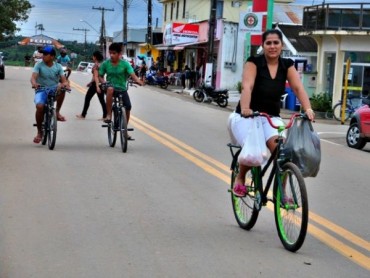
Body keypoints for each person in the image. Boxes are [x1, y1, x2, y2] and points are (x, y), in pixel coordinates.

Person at [227, 29, 315, 197]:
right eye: (268, 43)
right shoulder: (253, 62)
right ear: (263, 45)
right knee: (254, 151)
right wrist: (246, 108)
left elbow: (298, 88)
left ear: (282, 46)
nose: (272, 46)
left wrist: (308, 108)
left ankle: (280, 191)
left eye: (276, 43)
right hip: (248, 117)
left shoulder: (287, 65)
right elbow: (247, 86)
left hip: (270, 118)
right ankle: (240, 177)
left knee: (283, 154)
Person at [98, 43, 144, 137]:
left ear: (119, 54)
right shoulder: (105, 64)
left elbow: (133, 76)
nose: (111, 55)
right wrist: (103, 82)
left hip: (122, 89)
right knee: (110, 89)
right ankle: (109, 115)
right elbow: (100, 76)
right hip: (110, 87)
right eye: (110, 53)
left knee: (128, 107)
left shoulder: (125, 64)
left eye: (114, 53)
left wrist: (139, 81)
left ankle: (124, 129)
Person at [30, 45, 70, 144]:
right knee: (39, 106)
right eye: (43, 54)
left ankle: (57, 112)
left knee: (63, 89)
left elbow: (64, 80)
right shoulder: (39, 65)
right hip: (41, 89)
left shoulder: (58, 66)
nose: (43, 56)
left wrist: (63, 84)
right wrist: (34, 83)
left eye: (45, 54)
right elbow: (33, 77)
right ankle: (39, 132)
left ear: (52, 56)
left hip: (54, 89)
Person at [76, 51, 107, 120]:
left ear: (95, 57)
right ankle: (105, 115)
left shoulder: (96, 65)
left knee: (87, 98)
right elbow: (96, 76)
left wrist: (96, 86)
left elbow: (96, 76)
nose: (92, 58)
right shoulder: (101, 64)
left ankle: (83, 115)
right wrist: (90, 82)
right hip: (100, 84)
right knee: (102, 100)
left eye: (93, 56)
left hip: (96, 84)